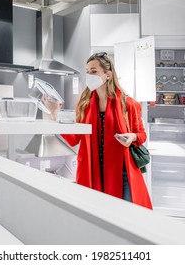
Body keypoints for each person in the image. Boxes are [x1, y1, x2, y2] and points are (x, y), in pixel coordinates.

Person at [61, 52, 152, 209]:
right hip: (92, 172)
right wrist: (55, 115)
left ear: (108, 75)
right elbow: (74, 139)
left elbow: (141, 134)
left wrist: (132, 137)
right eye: (88, 71)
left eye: (94, 71)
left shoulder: (128, 103)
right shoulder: (84, 104)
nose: (89, 75)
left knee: (127, 218)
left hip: (121, 173)